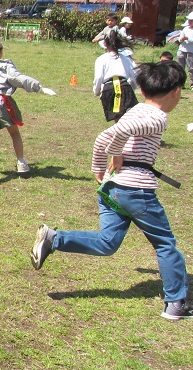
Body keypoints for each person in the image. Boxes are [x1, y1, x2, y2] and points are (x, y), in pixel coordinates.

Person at [31, 61, 192, 321]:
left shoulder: (135, 110)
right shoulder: (157, 117)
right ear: (176, 91)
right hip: (136, 191)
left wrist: (98, 169)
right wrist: (116, 153)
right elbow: (121, 133)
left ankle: (54, 238)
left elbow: (103, 138)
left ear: (142, 90)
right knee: (165, 244)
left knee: (108, 243)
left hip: (111, 188)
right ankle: (175, 303)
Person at [0, 36, 56, 179]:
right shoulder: (4, 66)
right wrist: (39, 88)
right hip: (1, 102)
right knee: (14, 133)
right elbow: (18, 79)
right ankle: (21, 163)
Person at [93, 29, 138, 123]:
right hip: (125, 87)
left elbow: (98, 78)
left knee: (118, 119)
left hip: (109, 89)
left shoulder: (101, 59)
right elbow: (134, 75)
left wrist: (96, 91)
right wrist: (132, 89)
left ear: (105, 44)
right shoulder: (127, 59)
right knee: (127, 118)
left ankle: (120, 136)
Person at [175, 12, 193, 86]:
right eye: (189, 20)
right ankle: (180, 83)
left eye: (191, 20)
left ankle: (192, 83)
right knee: (180, 67)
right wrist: (180, 40)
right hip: (182, 49)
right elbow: (180, 39)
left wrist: (187, 39)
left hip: (191, 51)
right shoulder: (185, 29)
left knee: (191, 68)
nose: (189, 21)